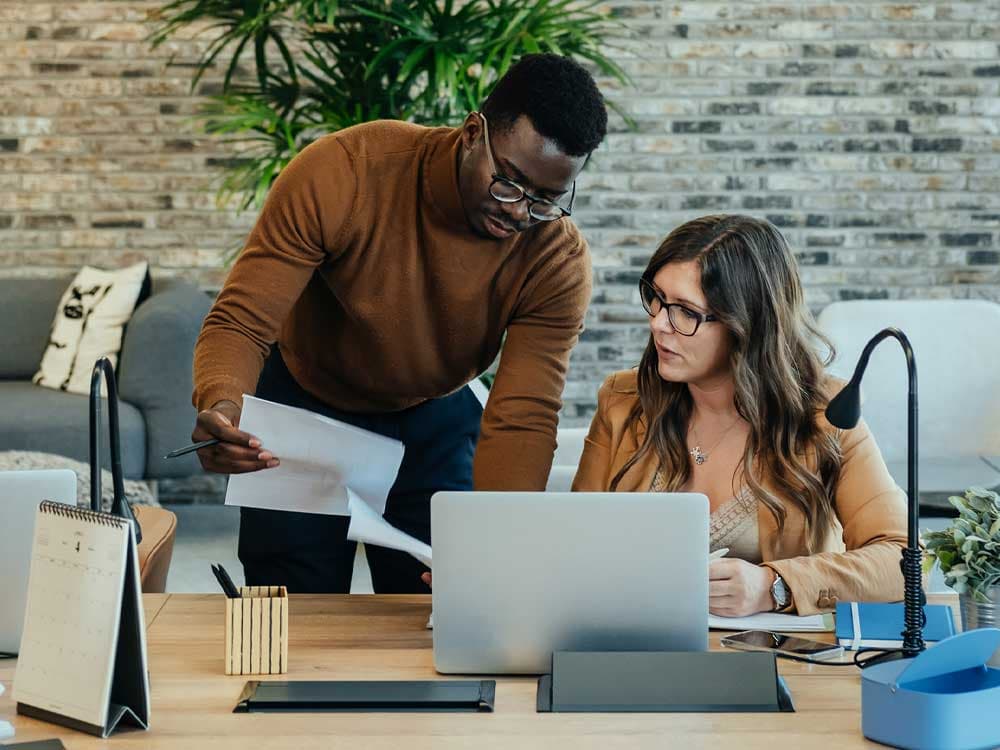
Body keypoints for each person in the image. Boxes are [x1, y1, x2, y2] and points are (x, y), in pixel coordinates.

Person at [190, 54, 608, 593]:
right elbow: (243, 320)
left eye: (546, 199)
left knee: (441, 606)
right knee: (294, 615)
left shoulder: (556, 259)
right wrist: (223, 404)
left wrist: (504, 538)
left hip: (432, 422)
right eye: (509, 183)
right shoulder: (346, 171)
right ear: (472, 132)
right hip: (302, 409)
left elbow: (524, 413)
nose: (518, 212)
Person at [572, 215, 907, 616]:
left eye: (686, 312)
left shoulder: (824, 415)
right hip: (636, 645)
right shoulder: (623, 401)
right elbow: (577, 546)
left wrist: (774, 586)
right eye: (657, 298)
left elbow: (902, 560)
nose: (659, 323)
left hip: (776, 661)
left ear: (748, 325)